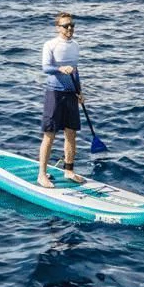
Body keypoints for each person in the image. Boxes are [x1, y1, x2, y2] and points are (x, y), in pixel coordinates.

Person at [37, 12, 86, 188]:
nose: (70, 28)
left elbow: (75, 70)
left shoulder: (76, 46)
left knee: (71, 134)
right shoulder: (50, 44)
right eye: (66, 26)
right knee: (49, 134)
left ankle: (69, 170)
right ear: (58, 28)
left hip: (71, 93)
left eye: (72, 25)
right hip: (54, 93)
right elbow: (45, 68)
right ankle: (42, 175)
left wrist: (79, 91)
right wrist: (59, 69)